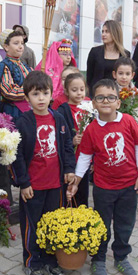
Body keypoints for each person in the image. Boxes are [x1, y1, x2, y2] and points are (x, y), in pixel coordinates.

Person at [67, 79, 138, 275]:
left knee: (125, 224)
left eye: (111, 97)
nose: (106, 101)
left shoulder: (128, 121)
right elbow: (85, 156)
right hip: (103, 187)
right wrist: (77, 180)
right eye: (100, 97)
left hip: (129, 186)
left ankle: (121, 256)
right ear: (93, 103)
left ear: (118, 102)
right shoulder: (92, 130)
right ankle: (99, 258)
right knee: (101, 225)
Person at [11, 71, 75, 275]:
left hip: (55, 183)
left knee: (52, 223)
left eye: (45, 93)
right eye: (35, 94)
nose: (41, 98)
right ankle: (32, 261)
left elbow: (66, 146)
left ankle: (50, 259)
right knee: (32, 224)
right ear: (27, 97)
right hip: (33, 186)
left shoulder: (58, 118)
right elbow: (16, 155)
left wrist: (69, 169)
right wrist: (23, 182)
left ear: (52, 94)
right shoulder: (22, 122)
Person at [57, 72, 91, 206]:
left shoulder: (89, 108)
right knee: (68, 189)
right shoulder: (62, 111)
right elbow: (60, 136)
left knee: (83, 189)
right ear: (66, 91)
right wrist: (72, 141)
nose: (79, 93)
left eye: (82, 89)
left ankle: (82, 216)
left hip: (85, 156)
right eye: (74, 90)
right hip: (71, 159)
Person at [0, 28, 31, 119]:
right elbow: (8, 91)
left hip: (29, 110)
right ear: (6, 47)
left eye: (22, 43)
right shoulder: (3, 67)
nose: (20, 46)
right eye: (16, 43)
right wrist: (31, 91)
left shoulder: (26, 67)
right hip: (13, 112)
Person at [86, 20, 130, 97]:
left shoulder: (125, 54)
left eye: (107, 32)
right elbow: (89, 77)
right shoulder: (95, 52)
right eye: (102, 31)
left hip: (116, 94)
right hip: (96, 93)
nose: (103, 34)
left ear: (115, 33)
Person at [112, 57, 138, 135]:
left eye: (127, 74)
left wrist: (137, 134)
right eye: (120, 73)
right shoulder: (108, 93)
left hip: (133, 136)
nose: (124, 77)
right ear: (114, 74)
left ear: (132, 75)